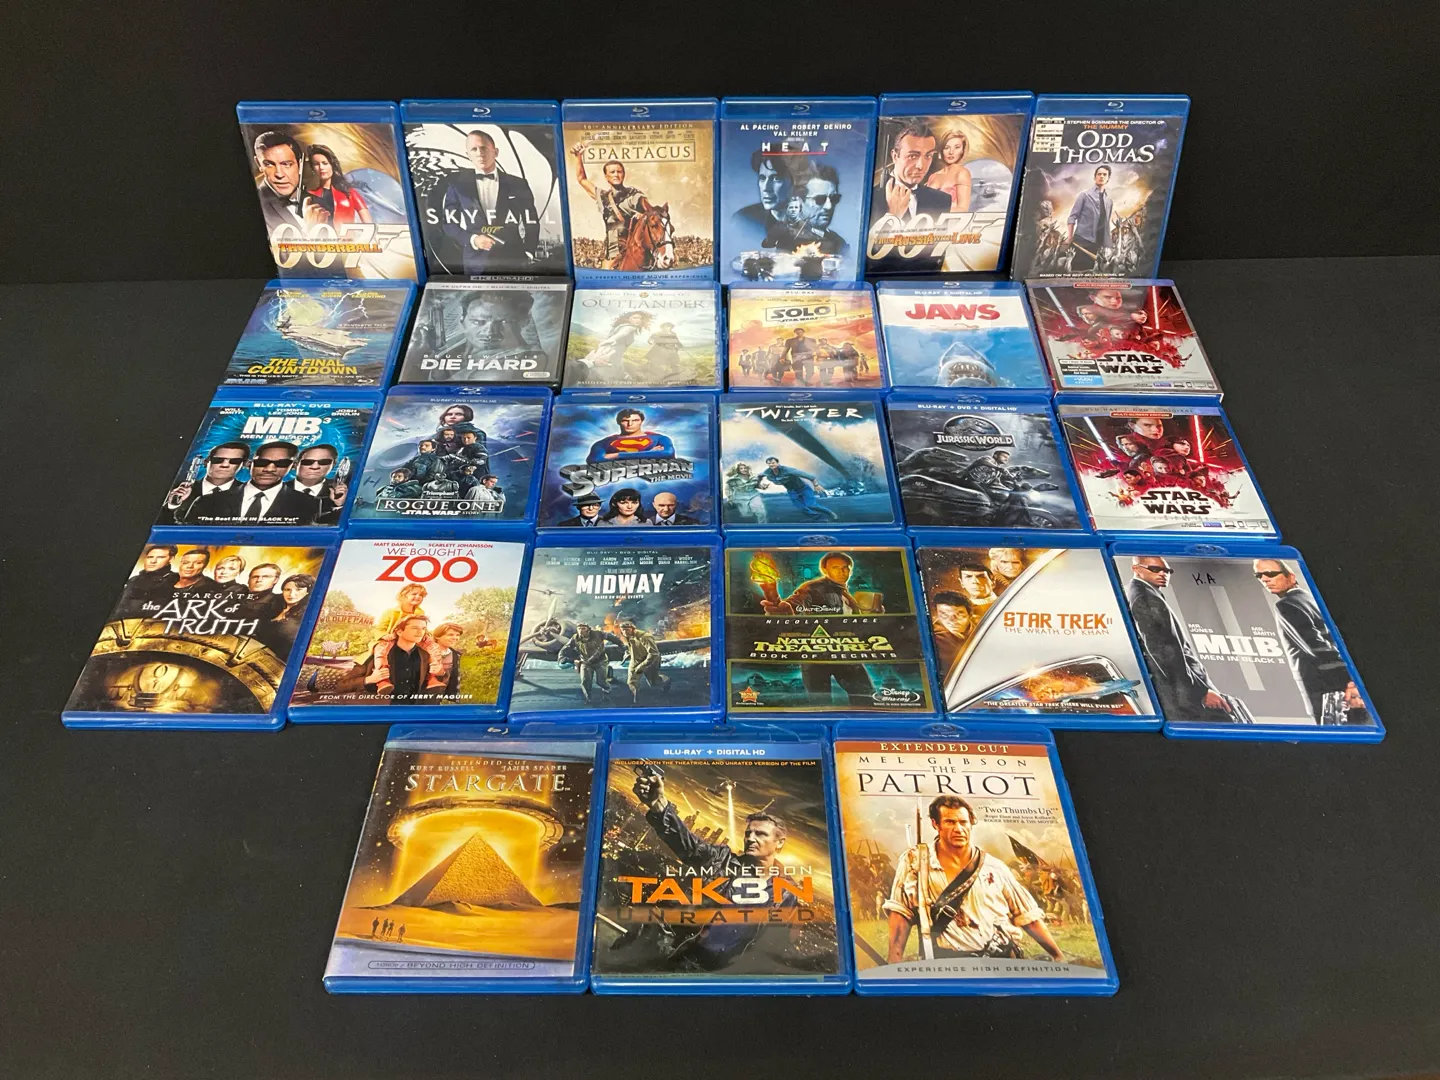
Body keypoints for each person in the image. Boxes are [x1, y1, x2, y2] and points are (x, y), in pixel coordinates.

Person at [630, 769, 797, 965]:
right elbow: (689, 845)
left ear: (779, 842)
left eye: (760, 834)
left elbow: (774, 943)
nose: (750, 838)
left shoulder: (786, 892)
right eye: (748, 833)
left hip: (729, 972)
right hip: (685, 957)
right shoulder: (722, 860)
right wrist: (658, 804)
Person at [885, 796, 1064, 963]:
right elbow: (900, 913)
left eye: (963, 822)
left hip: (1000, 960)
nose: (958, 829)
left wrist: (1057, 956)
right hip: (946, 963)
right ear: (935, 824)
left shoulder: (995, 867)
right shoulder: (915, 861)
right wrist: (894, 961)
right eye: (949, 822)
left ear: (971, 823)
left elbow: (1028, 916)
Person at [1125, 558, 1235, 722]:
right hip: (1183, 694)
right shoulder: (1145, 597)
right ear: (1136, 568)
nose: (1163, 574)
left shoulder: (1141, 591)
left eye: (1167, 571)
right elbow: (1164, 652)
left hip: (1180, 688)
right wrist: (1200, 692)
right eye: (1155, 569)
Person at [761, 552, 875, 704]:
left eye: (845, 567)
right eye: (835, 568)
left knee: (865, 697)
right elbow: (797, 601)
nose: (842, 572)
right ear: (825, 570)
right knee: (820, 703)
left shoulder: (846, 593)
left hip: (845, 653)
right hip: (816, 656)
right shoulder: (812, 588)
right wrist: (783, 609)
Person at [1254, 559, 1357, 724]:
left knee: (1329, 726)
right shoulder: (1309, 597)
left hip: (1323, 682)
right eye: (1259, 575)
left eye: (1270, 574)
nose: (1264, 579)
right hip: (1338, 678)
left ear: (1291, 577)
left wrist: (1348, 677)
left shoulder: (1285, 604)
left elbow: (1315, 646)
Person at [440, 129, 541, 273]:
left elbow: (531, 221)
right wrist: (473, 239)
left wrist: (528, 252)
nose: (479, 153)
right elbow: (449, 224)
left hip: (514, 261)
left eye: (484, 148)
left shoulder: (518, 184)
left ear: (496, 152)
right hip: (475, 262)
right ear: (468, 155)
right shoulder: (457, 184)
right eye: (474, 149)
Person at [870, 121, 953, 272]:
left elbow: (936, 257)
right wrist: (892, 216)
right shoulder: (869, 198)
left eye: (928, 156)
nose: (921, 165)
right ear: (895, 156)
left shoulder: (942, 200)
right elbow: (868, 262)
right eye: (913, 156)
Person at [190, 441, 319, 526]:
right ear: (250, 464)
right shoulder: (207, 500)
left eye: (281, 464)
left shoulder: (309, 503)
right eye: (262, 462)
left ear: (293, 466)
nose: (269, 469)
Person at [570, 146, 654, 268]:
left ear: (623, 174)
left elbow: (652, 214)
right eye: (612, 172)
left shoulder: (634, 195)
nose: (616, 175)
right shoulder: (603, 196)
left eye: (619, 172)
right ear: (606, 176)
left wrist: (642, 215)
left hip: (635, 253)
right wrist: (578, 156)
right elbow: (581, 179)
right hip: (612, 254)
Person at [160, 442, 249, 524]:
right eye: (218, 460)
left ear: (243, 465)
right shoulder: (178, 488)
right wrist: (172, 505)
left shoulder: (249, 492)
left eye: (234, 461)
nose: (224, 465)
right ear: (206, 462)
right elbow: (160, 522)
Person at [730, 152, 798, 252]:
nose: (766, 188)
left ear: (793, 183)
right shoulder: (743, 220)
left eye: (776, 178)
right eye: (762, 178)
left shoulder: (811, 222)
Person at [251, 131, 310, 234]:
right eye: (269, 164)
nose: (279, 174)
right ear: (259, 164)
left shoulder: (319, 200)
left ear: (300, 165)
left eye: (287, 164)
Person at [363, 613, 430, 703]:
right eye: (415, 628)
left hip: (415, 708)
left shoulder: (425, 655)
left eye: (423, 628)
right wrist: (369, 679)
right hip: (385, 709)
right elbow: (345, 684)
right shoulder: (376, 654)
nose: (420, 632)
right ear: (399, 632)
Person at [456, 289, 539, 363]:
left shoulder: (538, 361)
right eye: (479, 322)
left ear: (524, 321)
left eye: (504, 321)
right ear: (462, 321)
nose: (489, 332)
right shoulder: (453, 354)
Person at [304, 145, 372, 227]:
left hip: (346, 235)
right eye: (316, 164)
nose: (321, 167)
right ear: (312, 168)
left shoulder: (350, 193)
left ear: (332, 165)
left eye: (325, 163)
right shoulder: (309, 195)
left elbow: (369, 224)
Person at [558, 622, 622, 704]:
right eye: (579, 628)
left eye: (583, 628)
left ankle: (607, 690)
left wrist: (620, 644)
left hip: (600, 661)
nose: (581, 630)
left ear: (588, 630)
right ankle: (588, 698)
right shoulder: (575, 637)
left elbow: (610, 636)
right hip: (585, 662)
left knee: (601, 681)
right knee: (585, 682)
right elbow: (567, 647)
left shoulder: (598, 634)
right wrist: (561, 656)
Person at [1067, 166, 1115, 272]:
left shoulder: (1109, 201)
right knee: (1077, 272)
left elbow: (1106, 223)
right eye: (1099, 174)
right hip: (1082, 240)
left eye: (1105, 174)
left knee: (1094, 273)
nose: (1101, 176)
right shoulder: (1084, 195)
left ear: (1108, 178)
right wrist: (1070, 237)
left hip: (1099, 244)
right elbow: (1072, 217)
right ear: (1095, 177)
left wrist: (1107, 243)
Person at [573, 311, 651, 377]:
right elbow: (622, 334)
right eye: (635, 318)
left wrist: (607, 341)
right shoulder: (629, 328)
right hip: (612, 352)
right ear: (628, 319)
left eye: (640, 318)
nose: (639, 320)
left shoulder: (622, 326)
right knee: (605, 370)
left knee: (606, 369)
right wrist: (612, 339)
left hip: (613, 352)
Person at [791, 166, 848, 255]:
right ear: (800, 201)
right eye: (820, 199)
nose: (829, 206)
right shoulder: (788, 238)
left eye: (834, 198)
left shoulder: (840, 243)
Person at [760, 457, 836, 521]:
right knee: (802, 509)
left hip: (803, 489)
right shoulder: (767, 472)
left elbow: (810, 476)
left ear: (777, 463)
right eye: (769, 463)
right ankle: (820, 518)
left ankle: (830, 513)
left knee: (811, 505)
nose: (771, 465)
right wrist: (760, 485)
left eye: (773, 463)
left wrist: (816, 485)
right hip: (792, 491)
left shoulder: (788, 470)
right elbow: (759, 476)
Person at [287, 443, 347, 525]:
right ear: (295, 464)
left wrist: (339, 505)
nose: (315, 467)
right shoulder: (277, 489)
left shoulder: (342, 492)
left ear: (333, 465)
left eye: (324, 462)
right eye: (308, 462)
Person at [586, 408, 675, 462]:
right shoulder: (605, 442)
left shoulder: (659, 438)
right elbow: (595, 460)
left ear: (641, 421)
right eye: (625, 421)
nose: (630, 424)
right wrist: (650, 453)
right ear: (619, 422)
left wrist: (615, 455)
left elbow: (667, 453)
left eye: (635, 420)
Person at [618, 621, 670, 702]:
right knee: (631, 681)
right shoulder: (628, 636)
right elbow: (632, 647)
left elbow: (653, 653)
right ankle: (636, 700)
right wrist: (628, 653)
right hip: (636, 660)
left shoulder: (645, 637)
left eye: (627, 630)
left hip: (651, 660)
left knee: (654, 682)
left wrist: (642, 666)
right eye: (623, 630)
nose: (625, 632)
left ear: (633, 629)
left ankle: (666, 680)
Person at [262, 573, 314, 653]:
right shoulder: (273, 606)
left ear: (308, 592)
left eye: (298, 590)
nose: (291, 594)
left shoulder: (306, 615)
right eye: (287, 590)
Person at [120, 544, 179, 615]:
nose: (153, 561)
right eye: (150, 557)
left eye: (160, 557)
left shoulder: (176, 579)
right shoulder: (133, 580)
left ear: (171, 559)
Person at [924, 129, 973, 212]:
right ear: (941, 150)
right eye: (946, 148)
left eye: (957, 147)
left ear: (962, 150)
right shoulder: (933, 176)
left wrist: (936, 211)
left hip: (950, 219)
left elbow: (963, 210)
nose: (951, 152)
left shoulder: (962, 173)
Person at [929, 590, 975, 672]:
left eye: (958, 614)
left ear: (970, 614)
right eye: (944, 615)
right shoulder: (934, 641)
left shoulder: (985, 630)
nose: (952, 620)